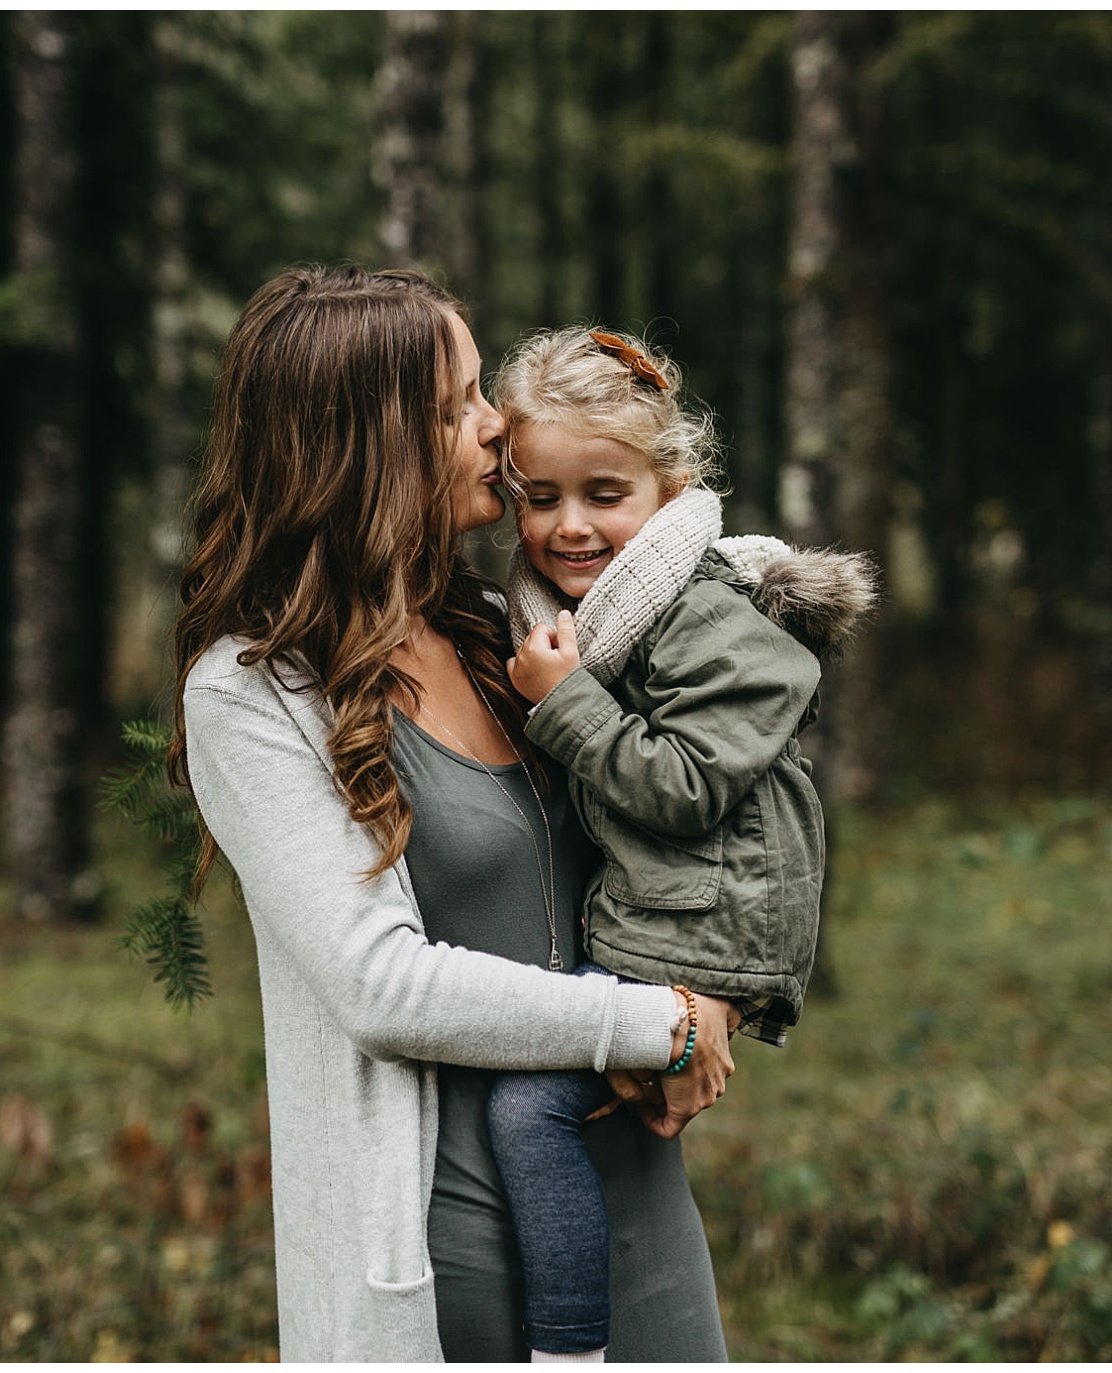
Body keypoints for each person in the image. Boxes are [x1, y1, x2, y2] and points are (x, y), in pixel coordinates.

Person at [169, 268, 736, 1363]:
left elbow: (678, 824)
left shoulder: (500, 634)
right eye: (459, 403)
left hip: (638, 1201)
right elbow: (378, 981)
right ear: (364, 442)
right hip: (452, 1246)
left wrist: (708, 991)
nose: (497, 428)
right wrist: (648, 1021)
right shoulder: (252, 693)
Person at [483, 326, 877, 1361]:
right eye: (539, 496)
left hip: (705, 932)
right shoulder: (597, 612)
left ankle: (566, 1346)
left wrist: (562, 702)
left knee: (528, 1114)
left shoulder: (707, 617)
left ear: (669, 486)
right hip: (667, 915)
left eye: (602, 493)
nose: (568, 526)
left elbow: (687, 784)